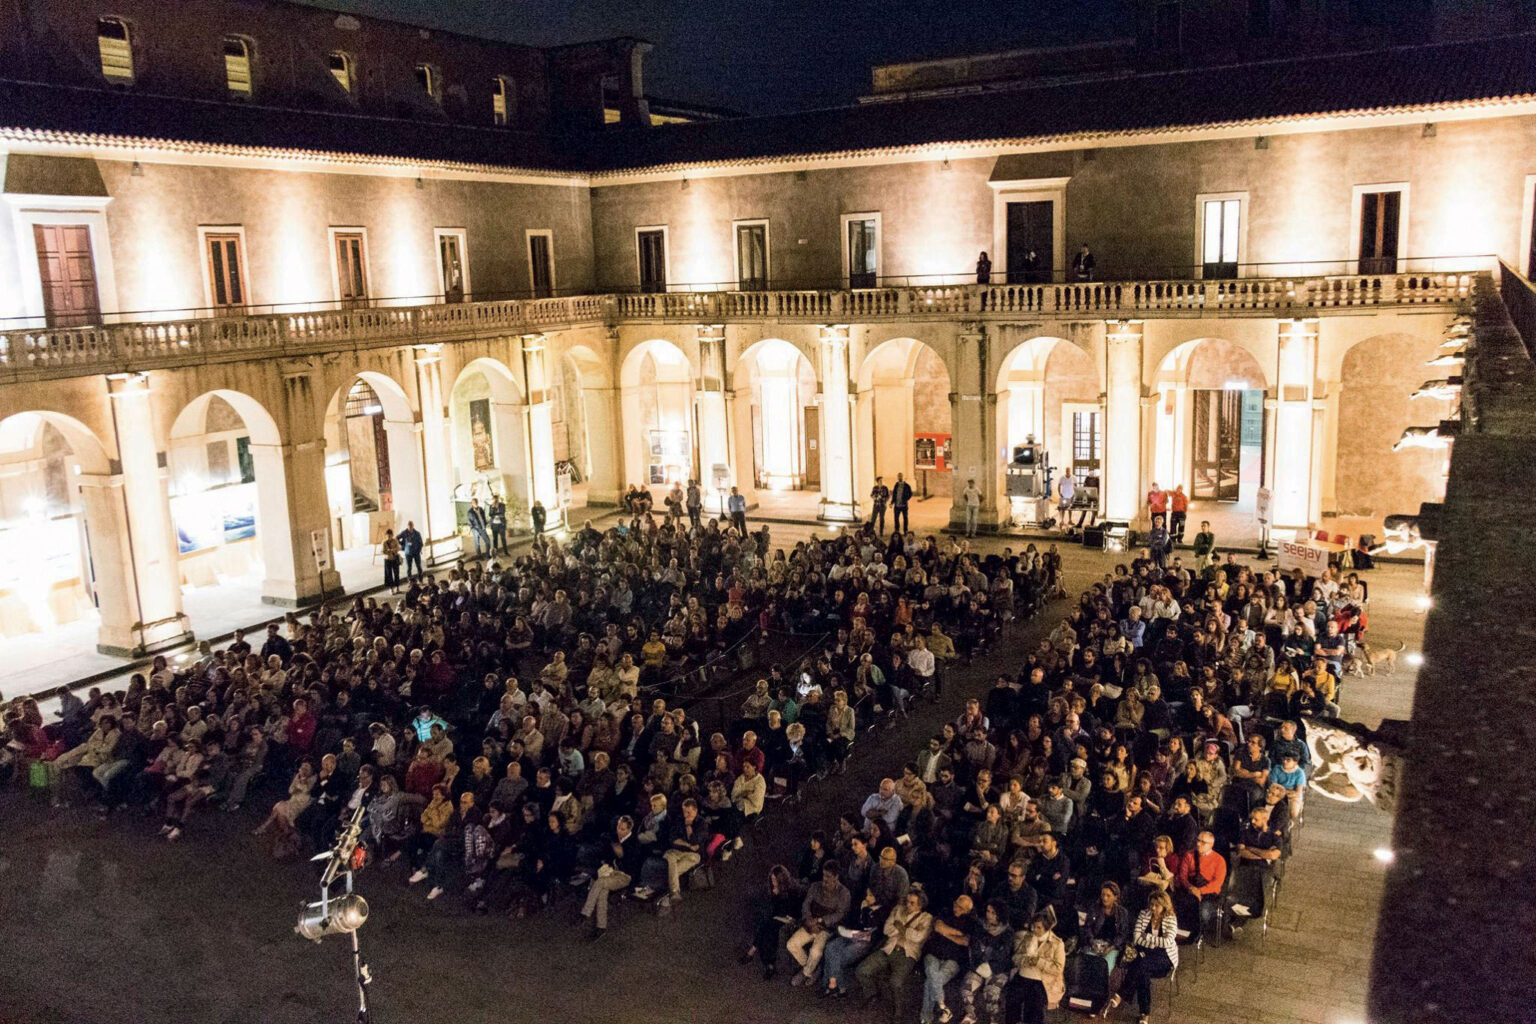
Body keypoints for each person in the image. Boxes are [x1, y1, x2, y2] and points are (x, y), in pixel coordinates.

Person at [857, 888, 933, 1018]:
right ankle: (872, 994)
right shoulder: (897, 909)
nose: (907, 905)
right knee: (861, 970)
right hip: (888, 949)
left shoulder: (926, 918)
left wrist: (899, 926)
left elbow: (918, 937)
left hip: (907, 954)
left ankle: (898, 1010)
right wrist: (908, 930)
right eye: (907, 901)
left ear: (920, 905)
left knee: (895, 982)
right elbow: (886, 929)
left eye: (912, 903)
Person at [1106, 890, 1178, 1024]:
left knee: (1140, 964)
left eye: (1157, 906)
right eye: (1151, 905)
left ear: (1164, 906)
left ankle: (1122, 994)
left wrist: (1148, 937)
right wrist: (1155, 941)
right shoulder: (1144, 914)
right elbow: (1137, 938)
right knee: (1142, 971)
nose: (1153, 908)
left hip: (1164, 957)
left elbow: (1168, 942)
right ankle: (1144, 1013)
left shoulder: (1171, 918)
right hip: (1144, 954)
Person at [787, 862, 851, 986]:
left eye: (828, 876)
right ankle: (812, 969)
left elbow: (839, 914)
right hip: (811, 924)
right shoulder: (815, 887)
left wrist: (821, 920)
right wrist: (809, 919)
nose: (824, 879)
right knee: (792, 944)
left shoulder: (844, 893)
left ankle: (805, 972)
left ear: (836, 877)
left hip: (827, 928)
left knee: (816, 951)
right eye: (824, 875)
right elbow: (806, 904)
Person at [579, 815, 643, 938]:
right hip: (611, 873)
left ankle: (586, 912)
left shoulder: (635, 842)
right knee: (602, 891)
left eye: (623, 829)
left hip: (625, 876)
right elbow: (604, 855)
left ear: (629, 830)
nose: (619, 830)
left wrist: (621, 854)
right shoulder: (614, 839)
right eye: (618, 827)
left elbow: (632, 865)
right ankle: (601, 927)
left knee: (600, 883)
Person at [1005, 911, 1066, 1024]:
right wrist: (1024, 959)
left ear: (1046, 929)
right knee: (1012, 1000)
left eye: (1039, 928)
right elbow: (1015, 957)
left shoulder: (1057, 943)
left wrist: (1038, 962)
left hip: (1042, 980)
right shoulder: (1028, 937)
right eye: (1033, 926)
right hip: (1023, 975)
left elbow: (1058, 968)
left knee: (1035, 1007)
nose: (1034, 930)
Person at [381, 528, 401, 592]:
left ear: (392, 535)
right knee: (389, 575)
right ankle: (391, 588)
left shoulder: (395, 541)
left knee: (396, 574)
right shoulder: (384, 542)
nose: (388, 537)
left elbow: (398, 548)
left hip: (395, 559)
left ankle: (397, 587)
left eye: (390, 535)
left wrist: (392, 550)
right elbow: (382, 551)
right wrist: (387, 551)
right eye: (387, 536)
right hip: (387, 560)